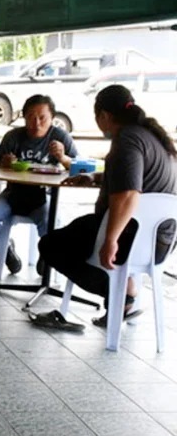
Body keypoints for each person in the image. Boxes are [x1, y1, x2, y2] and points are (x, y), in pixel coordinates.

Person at [39, 85, 177, 327]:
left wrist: (110, 239)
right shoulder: (150, 136)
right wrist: (96, 178)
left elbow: (129, 194)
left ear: (103, 116)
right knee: (75, 233)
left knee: (51, 245)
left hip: (131, 238)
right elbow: (135, 180)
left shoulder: (127, 139)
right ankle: (122, 294)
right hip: (160, 242)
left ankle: (120, 292)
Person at [0, 94, 78, 274]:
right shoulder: (13, 136)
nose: (36, 123)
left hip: (45, 195)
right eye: (31, 117)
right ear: (24, 117)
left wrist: (63, 158)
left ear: (52, 118)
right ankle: (5, 250)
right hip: (13, 195)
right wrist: (5, 164)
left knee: (51, 218)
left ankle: (47, 253)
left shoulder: (60, 137)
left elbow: (79, 168)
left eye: (42, 118)